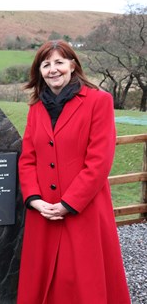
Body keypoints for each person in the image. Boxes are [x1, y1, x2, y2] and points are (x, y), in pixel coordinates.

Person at [17, 40, 131, 303]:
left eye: (59, 62)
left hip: (84, 209)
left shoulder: (99, 101)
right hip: (44, 211)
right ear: (39, 72)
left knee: (84, 281)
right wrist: (35, 200)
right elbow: (28, 159)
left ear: (73, 65)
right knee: (44, 280)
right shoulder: (36, 108)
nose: (53, 69)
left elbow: (100, 160)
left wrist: (69, 203)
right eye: (46, 64)